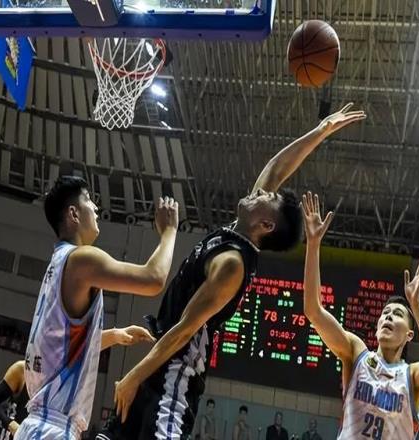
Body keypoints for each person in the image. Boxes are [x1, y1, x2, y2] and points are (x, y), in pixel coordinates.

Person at [102, 103, 366, 440]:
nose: (259, 191)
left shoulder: (232, 264)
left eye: (265, 197)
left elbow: (184, 331)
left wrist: (134, 376)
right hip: (160, 363)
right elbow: (276, 168)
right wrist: (321, 131)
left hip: (176, 377)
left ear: (266, 224)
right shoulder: (236, 232)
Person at [14, 176, 179, 440]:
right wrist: (169, 232)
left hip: (38, 426)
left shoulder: (58, 261)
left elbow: (60, 347)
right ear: (73, 214)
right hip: (52, 428)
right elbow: (153, 279)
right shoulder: (81, 259)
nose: (95, 208)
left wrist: (114, 335)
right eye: (89, 200)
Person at [301, 192, 419, 439]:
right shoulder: (356, 353)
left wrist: (417, 306)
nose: (388, 316)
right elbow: (313, 311)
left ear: (409, 334)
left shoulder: (411, 376)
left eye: (397, 314)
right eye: (385, 313)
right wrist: (313, 244)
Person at [0, 326, 154, 439]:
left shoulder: (61, 372)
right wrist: (12, 425)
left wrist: (117, 335)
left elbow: (85, 347)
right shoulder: (22, 369)